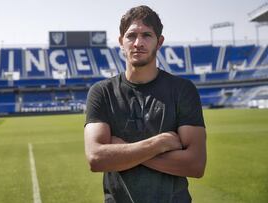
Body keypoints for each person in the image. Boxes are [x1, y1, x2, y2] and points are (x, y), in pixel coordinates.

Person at [84, 5, 207, 203]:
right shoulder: (102, 92)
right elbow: (96, 159)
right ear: (121, 42)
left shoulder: (182, 90)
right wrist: (160, 144)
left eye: (147, 35)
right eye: (131, 35)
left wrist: (123, 151)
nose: (138, 43)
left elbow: (196, 165)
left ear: (159, 42)